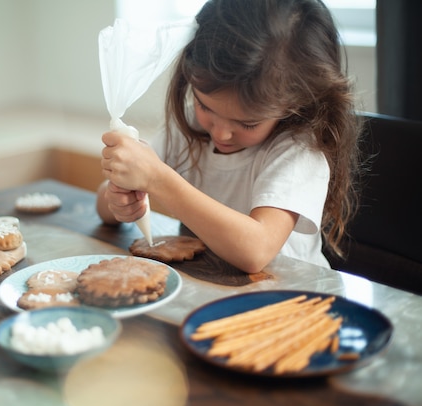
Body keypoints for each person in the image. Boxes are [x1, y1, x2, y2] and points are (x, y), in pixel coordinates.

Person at [96, 0, 362, 273]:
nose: (221, 132)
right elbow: (104, 207)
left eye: (248, 123)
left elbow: (255, 251)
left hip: (294, 301)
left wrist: (157, 178)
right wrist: (119, 198)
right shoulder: (187, 127)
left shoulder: (299, 150)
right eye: (205, 107)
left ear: (295, 105)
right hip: (210, 288)